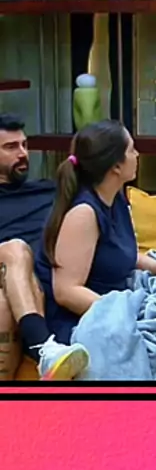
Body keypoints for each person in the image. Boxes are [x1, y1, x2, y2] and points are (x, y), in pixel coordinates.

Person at [35, 119, 156, 346]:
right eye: (131, 150)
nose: (137, 154)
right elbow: (66, 291)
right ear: (116, 166)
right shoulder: (83, 214)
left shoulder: (114, 197)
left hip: (118, 302)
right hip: (83, 321)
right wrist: (125, 315)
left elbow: (118, 254)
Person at [0, 112, 89, 380]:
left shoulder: (48, 191)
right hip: (7, 264)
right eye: (11, 147)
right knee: (15, 250)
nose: (22, 154)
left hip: (42, 282)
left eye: (24, 145)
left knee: (5, 302)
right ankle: (43, 349)